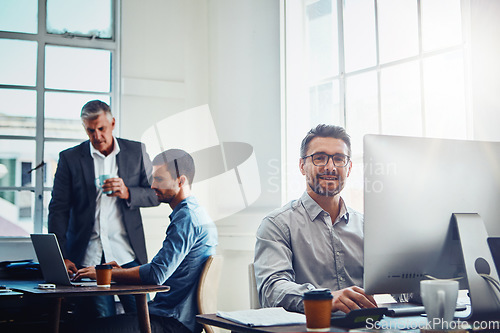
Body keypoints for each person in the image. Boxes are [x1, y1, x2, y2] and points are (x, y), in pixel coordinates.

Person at [72, 149, 218, 333]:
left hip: (172, 322)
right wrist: (120, 272)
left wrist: (108, 273)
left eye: (159, 179)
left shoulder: (187, 218)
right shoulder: (195, 213)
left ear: (181, 181)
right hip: (170, 317)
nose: (152, 186)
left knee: (84, 329)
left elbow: (157, 274)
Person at [48, 100, 159, 318]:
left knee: (145, 318)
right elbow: (58, 209)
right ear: (84, 128)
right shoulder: (69, 158)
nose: (96, 136)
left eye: (101, 128)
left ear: (113, 123)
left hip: (128, 256)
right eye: (90, 130)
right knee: (102, 322)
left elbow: (155, 194)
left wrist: (128, 192)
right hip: (89, 259)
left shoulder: (136, 151)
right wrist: (62, 256)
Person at [254, 124, 377, 314]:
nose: (330, 167)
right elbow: (272, 290)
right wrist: (325, 298)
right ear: (302, 166)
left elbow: (393, 285)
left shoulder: (367, 226)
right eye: (319, 158)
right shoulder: (277, 224)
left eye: (339, 159)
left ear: (349, 167)